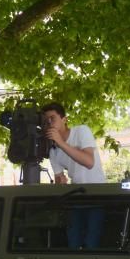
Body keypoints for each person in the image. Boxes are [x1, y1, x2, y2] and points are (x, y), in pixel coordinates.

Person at [41, 102, 106, 248]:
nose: (49, 123)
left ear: (64, 119)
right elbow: (60, 180)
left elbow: (89, 162)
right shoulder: (53, 151)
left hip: (98, 194)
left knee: (92, 243)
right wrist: (59, 183)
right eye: (46, 121)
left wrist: (61, 143)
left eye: (53, 118)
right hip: (76, 197)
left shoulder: (81, 131)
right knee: (73, 242)